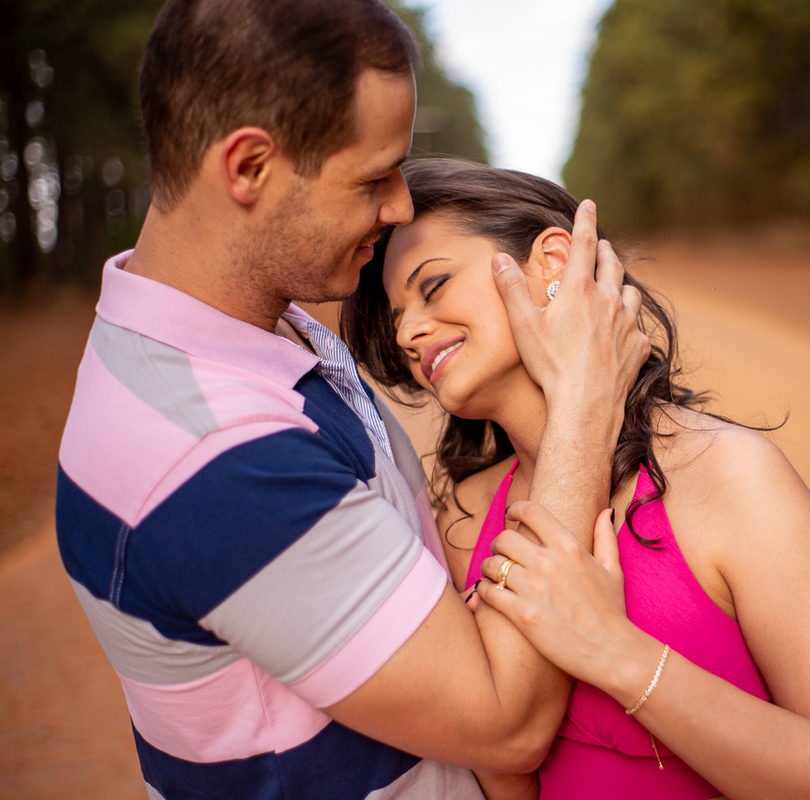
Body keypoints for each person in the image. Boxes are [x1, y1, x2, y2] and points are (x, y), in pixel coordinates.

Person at [55, 2, 648, 798]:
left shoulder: (246, 332)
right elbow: (505, 723)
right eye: (372, 178)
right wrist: (581, 403)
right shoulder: (211, 454)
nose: (400, 205)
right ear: (249, 167)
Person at [341, 158, 810, 800]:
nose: (409, 332)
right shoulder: (465, 520)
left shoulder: (725, 477)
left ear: (552, 261)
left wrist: (615, 651)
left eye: (435, 285)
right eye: (396, 317)